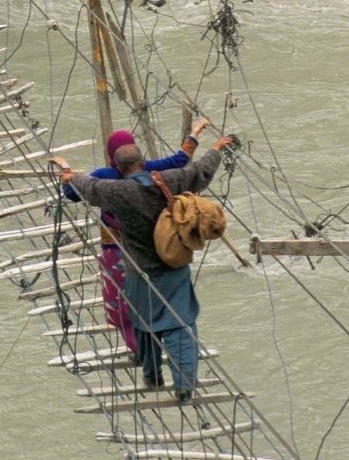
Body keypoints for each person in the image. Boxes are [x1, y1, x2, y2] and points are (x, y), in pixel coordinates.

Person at [52, 134, 233, 402]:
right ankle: (184, 384)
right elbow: (200, 171)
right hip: (174, 265)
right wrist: (216, 148)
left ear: (119, 169)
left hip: (138, 270)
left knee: (144, 322)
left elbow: (88, 186)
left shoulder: (117, 192)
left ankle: (152, 374)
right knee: (180, 324)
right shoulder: (168, 180)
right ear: (143, 162)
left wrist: (68, 174)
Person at [61, 121, 210, 356]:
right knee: (153, 298)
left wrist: (67, 173)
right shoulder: (150, 169)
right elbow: (179, 160)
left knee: (120, 302)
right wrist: (194, 134)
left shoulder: (104, 176)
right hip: (149, 246)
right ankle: (165, 345)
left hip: (115, 249)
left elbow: (73, 192)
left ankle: (138, 349)